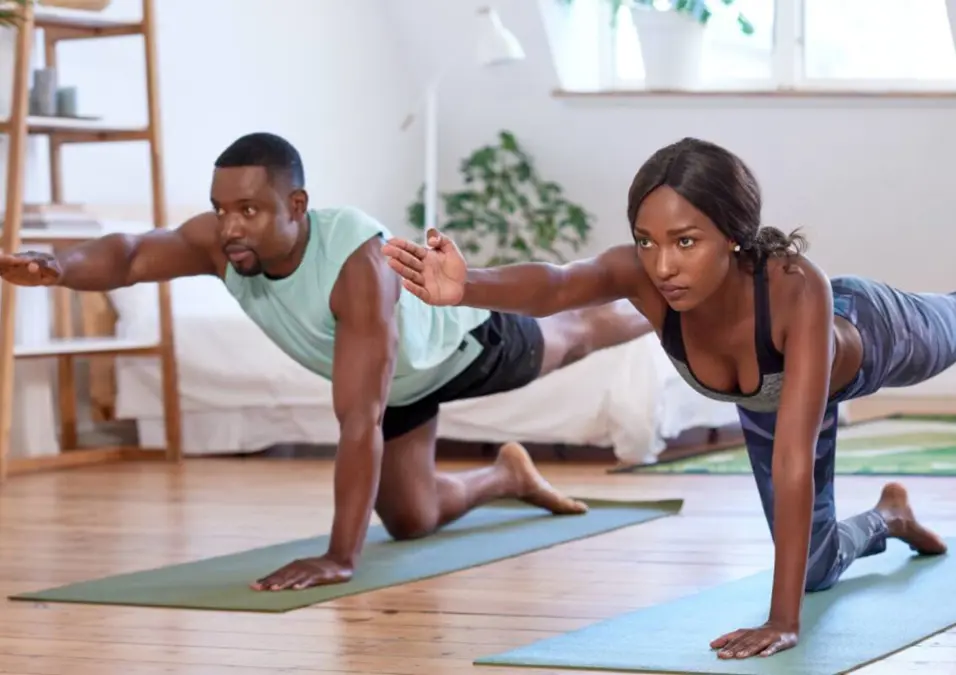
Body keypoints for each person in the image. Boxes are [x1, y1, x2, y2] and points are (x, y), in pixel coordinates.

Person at [0, 132, 654, 592]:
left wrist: (341, 556)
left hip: (457, 348)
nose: (230, 227)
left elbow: (358, 420)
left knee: (574, 334)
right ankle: (507, 476)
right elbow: (134, 255)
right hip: (400, 385)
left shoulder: (356, 266)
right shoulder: (224, 243)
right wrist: (59, 269)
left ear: (297, 206)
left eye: (249, 210)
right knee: (410, 518)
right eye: (221, 208)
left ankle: (660, 304)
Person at [381, 136, 952, 660]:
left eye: (685, 241)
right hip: (769, 403)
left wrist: (782, 621)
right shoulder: (644, 278)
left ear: (733, 233)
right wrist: (467, 286)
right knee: (815, 569)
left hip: (874, 333)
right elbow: (557, 285)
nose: (662, 265)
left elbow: (793, 458)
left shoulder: (795, 286)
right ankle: (891, 515)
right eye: (646, 241)